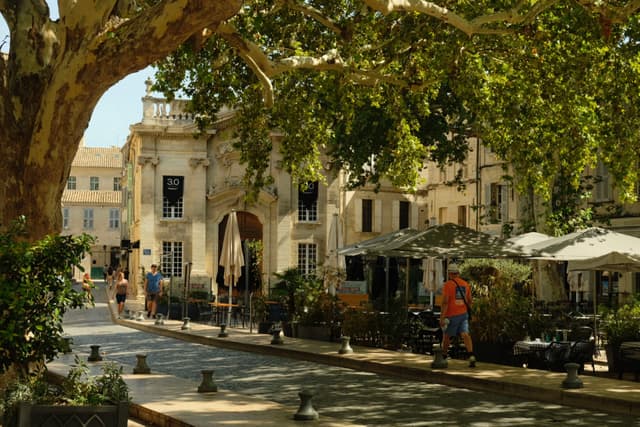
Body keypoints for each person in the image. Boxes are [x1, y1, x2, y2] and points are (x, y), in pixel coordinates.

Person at [439, 263, 476, 367]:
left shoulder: (447, 285)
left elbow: (445, 302)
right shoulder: (465, 284)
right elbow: (469, 301)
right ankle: (471, 355)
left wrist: (442, 317)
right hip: (463, 315)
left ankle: (444, 356)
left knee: (447, 336)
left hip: (451, 315)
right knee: (465, 334)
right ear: (458, 273)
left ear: (449, 274)